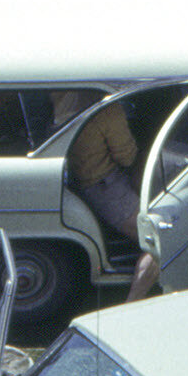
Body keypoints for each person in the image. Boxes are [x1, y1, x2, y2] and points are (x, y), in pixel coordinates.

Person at [59, 91, 158, 302]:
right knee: (159, 240)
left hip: (81, 179)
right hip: (105, 187)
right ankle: (133, 302)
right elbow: (127, 157)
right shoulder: (108, 108)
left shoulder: (66, 96)